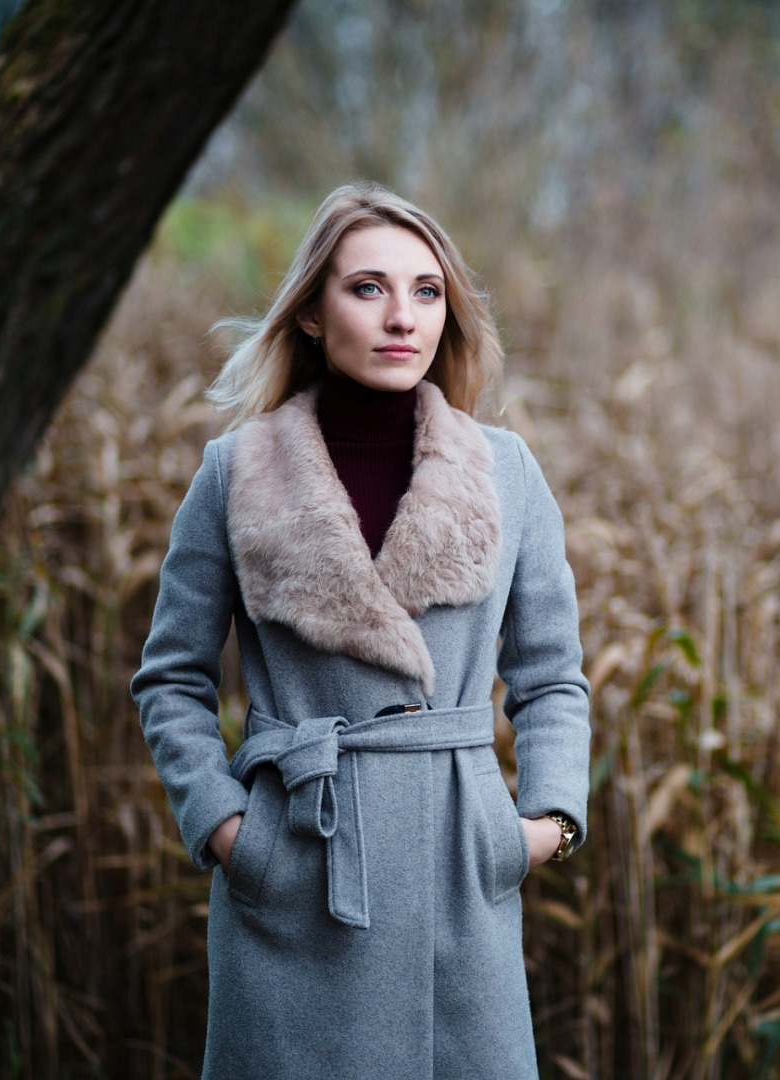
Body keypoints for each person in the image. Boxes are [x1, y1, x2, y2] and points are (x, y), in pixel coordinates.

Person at [130, 181, 591, 1080]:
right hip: (297, 872)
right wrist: (231, 831)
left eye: (426, 292)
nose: (401, 317)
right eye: (367, 287)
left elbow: (552, 677)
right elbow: (171, 678)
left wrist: (541, 825)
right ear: (310, 310)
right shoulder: (236, 473)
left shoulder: (506, 473)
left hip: (459, 876)